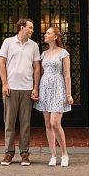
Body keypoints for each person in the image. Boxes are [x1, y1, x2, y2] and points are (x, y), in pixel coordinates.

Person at [0, 17, 42, 166]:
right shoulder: (8, 42)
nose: (32, 30)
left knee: (25, 123)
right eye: (30, 27)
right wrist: (4, 84)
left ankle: (24, 153)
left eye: (32, 28)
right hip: (11, 88)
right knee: (9, 123)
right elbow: (2, 63)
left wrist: (36, 87)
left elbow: (37, 67)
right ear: (22, 27)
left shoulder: (34, 46)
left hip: (27, 88)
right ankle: (9, 153)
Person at [34, 26, 74, 167]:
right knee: (47, 124)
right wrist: (36, 89)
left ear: (56, 36)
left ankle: (64, 154)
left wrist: (68, 94)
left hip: (58, 88)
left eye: (48, 33)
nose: (45, 35)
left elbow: (67, 74)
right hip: (45, 87)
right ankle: (52, 155)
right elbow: (38, 71)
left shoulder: (63, 53)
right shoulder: (43, 54)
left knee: (55, 123)